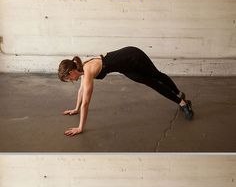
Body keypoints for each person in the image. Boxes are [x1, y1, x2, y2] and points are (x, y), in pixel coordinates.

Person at [57, 45, 194, 137]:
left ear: (71, 71)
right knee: (151, 82)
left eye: (68, 78)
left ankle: (182, 101)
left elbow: (86, 103)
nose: (70, 81)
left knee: (156, 76)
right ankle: (179, 95)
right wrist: (76, 109)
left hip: (134, 56)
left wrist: (80, 128)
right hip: (126, 67)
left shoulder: (87, 71)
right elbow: (81, 91)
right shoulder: (82, 68)